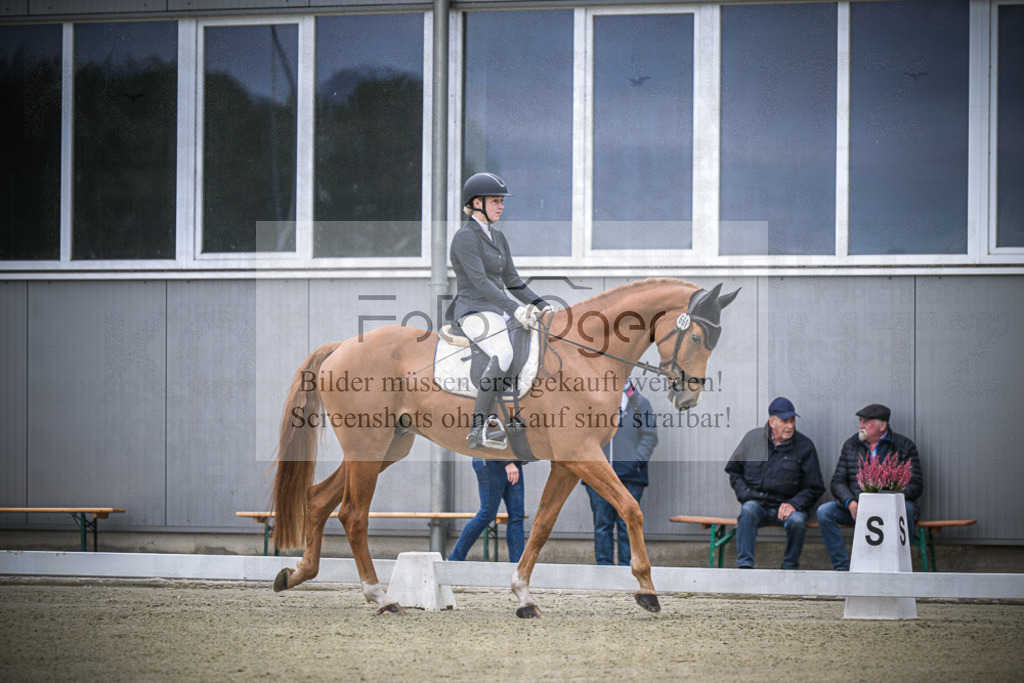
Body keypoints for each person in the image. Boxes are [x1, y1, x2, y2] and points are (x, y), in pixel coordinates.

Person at [449, 172, 550, 450]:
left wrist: (542, 305)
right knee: (503, 353)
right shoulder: (465, 238)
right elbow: (481, 283)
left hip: (498, 310)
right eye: (495, 201)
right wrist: (516, 310)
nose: (501, 206)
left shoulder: (499, 237)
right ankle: (479, 427)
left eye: (501, 201)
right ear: (477, 203)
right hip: (473, 311)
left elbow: (512, 280)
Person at [817, 403, 923, 571]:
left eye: (866, 422)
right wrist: (850, 502)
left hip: (891, 509)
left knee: (907, 509)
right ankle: (843, 569)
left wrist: (887, 498)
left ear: (883, 426)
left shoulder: (903, 446)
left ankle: (898, 568)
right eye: (860, 421)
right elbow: (837, 481)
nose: (861, 426)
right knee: (825, 512)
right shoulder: (851, 445)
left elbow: (915, 485)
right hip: (858, 508)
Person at [724, 397, 824, 569]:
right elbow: (734, 471)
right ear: (772, 422)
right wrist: (745, 495)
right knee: (748, 510)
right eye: (785, 421)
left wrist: (794, 504)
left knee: (797, 521)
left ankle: (790, 567)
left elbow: (814, 486)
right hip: (758, 503)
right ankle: (745, 566)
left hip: (788, 507)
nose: (790, 426)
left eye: (792, 420)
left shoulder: (805, 446)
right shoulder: (753, 439)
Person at [583, 381, 658, 566]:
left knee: (628, 525)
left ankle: (628, 569)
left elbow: (649, 436)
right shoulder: (595, 403)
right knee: (602, 524)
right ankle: (604, 568)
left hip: (631, 478)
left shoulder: (640, 404)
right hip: (599, 478)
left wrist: (635, 461)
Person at [447, 457, 525, 562]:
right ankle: (454, 559)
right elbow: (491, 444)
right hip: (492, 461)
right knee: (487, 514)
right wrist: (507, 462)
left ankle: (518, 565)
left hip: (513, 463)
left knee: (517, 516)